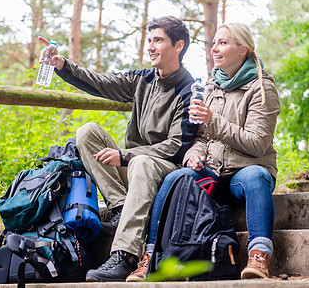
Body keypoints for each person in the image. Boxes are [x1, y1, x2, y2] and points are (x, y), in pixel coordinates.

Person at [38, 16, 198, 282]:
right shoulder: (142, 80)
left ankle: (125, 255)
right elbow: (100, 82)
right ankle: (121, 206)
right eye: (149, 40)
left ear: (178, 45)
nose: (150, 47)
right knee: (87, 132)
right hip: (132, 169)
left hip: (165, 170)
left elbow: (176, 146)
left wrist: (126, 155)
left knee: (142, 162)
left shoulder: (190, 89)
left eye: (158, 40)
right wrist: (62, 65)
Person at [126, 23, 281, 282]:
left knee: (256, 175)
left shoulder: (262, 88)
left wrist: (213, 121)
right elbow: (199, 137)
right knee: (175, 177)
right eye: (214, 43)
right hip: (211, 173)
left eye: (223, 43)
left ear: (242, 50)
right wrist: (193, 154)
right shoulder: (210, 87)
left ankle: (259, 255)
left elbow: (257, 144)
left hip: (242, 174)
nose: (214, 49)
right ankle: (150, 258)